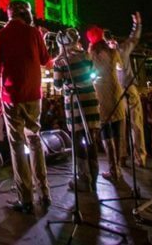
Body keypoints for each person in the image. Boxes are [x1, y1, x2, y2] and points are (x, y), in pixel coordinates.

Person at [0, 0, 51, 213]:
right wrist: (42, 38)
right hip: (34, 95)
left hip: (11, 96)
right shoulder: (34, 33)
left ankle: (25, 198)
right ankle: (44, 192)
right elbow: (46, 61)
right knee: (35, 140)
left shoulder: (0, 36)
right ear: (26, 13)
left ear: (8, 14)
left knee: (17, 146)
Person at [53, 28, 101, 192]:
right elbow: (94, 74)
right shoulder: (87, 56)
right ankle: (94, 177)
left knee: (78, 140)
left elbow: (57, 85)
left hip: (74, 103)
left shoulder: (61, 62)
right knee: (91, 139)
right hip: (91, 100)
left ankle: (83, 178)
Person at [86, 26, 126, 185]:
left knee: (106, 132)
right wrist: (114, 48)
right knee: (117, 131)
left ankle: (113, 169)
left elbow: (89, 72)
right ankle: (118, 169)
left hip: (101, 95)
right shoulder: (112, 51)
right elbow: (121, 67)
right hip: (116, 92)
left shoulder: (92, 54)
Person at [109, 12, 144, 167]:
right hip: (122, 90)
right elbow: (134, 38)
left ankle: (133, 156)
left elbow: (133, 38)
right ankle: (128, 157)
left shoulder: (118, 51)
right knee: (127, 124)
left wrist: (137, 24)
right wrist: (137, 24)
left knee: (131, 123)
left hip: (125, 89)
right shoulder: (118, 51)